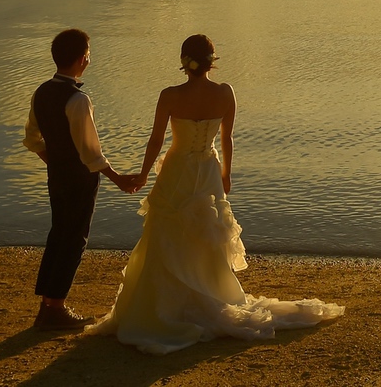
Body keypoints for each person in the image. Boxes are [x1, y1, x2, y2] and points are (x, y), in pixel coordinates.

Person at [87, 35, 343, 354]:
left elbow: (155, 140)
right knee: (207, 235)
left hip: (177, 169)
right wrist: (226, 175)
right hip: (208, 169)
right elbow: (227, 138)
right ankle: (210, 292)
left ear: (184, 61)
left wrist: (141, 174)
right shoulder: (225, 92)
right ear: (212, 60)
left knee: (167, 233)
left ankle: (166, 305)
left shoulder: (170, 95)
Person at [23, 28, 142, 330]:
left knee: (58, 233)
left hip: (56, 176)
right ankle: (56, 307)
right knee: (74, 238)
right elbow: (91, 154)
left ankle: (47, 305)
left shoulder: (42, 92)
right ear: (82, 59)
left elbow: (33, 139)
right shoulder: (78, 100)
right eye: (88, 52)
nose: (89, 57)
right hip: (79, 179)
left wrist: (55, 161)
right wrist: (119, 179)